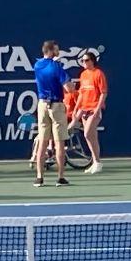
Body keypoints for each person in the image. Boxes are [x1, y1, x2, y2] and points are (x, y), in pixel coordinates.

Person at [31, 39, 70, 189]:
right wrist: (62, 70)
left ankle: (39, 177)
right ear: (51, 51)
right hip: (56, 106)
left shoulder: (37, 65)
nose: (58, 52)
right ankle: (60, 177)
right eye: (56, 49)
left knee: (43, 141)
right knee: (59, 143)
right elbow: (69, 88)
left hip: (42, 106)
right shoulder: (56, 67)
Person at [74, 48, 108, 174]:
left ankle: (97, 162)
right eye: (82, 60)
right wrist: (77, 108)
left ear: (92, 61)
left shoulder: (99, 73)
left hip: (94, 109)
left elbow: (103, 93)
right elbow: (81, 93)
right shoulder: (83, 75)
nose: (84, 62)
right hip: (84, 109)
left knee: (87, 133)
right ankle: (96, 162)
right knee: (91, 136)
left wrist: (97, 108)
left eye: (86, 60)